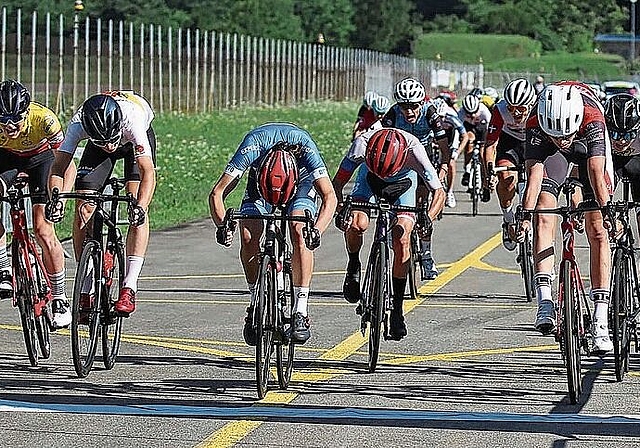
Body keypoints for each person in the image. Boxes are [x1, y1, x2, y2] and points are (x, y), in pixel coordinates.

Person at [209, 123, 336, 345]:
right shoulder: (252, 146)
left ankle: (301, 310)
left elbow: (330, 197)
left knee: (299, 230)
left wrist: (316, 230)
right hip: (261, 186)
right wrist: (223, 225)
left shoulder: (305, 148)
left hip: (301, 184)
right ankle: (255, 300)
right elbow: (217, 193)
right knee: (248, 235)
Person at [518, 82, 614, 354]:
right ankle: (545, 300)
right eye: (556, 137)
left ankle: (600, 319)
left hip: (588, 149)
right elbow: (534, 175)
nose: (562, 142)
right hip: (552, 152)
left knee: (597, 230)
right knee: (543, 214)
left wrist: (606, 211)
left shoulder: (592, 116)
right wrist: (525, 215)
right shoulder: (537, 119)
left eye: (565, 136)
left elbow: (596, 170)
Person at [48, 91, 156, 317]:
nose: (108, 146)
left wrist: (140, 206)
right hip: (98, 142)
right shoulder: (79, 124)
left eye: (111, 140)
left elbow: (147, 173)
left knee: (137, 205)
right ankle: (86, 284)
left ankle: (129, 287)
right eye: (102, 142)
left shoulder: (132, 119)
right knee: (84, 206)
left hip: (132, 142)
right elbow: (58, 168)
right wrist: (56, 198)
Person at [332, 127, 445, 340]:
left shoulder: (415, 151)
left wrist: (427, 218)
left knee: (402, 237)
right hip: (369, 180)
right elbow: (337, 183)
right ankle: (353, 264)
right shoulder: (361, 145)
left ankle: (397, 311)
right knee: (357, 223)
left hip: (403, 185)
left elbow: (438, 191)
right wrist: (340, 210)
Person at [0, 80, 72, 328]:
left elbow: (66, 161)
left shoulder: (44, 119)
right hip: (7, 158)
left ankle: (60, 297)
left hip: (41, 159)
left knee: (43, 228)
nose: (9, 126)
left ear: (26, 112)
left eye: (15, 119)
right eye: (3, 119)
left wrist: (60, 196)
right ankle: (4, 268)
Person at [381, 77, 450, 280]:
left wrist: (444, 168)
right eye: (404, 106)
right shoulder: (393, 113)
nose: (408, 111)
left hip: (422, 157)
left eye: (413, 106)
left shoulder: (430, 113)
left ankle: (427, 255)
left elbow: (443, 145)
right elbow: (381, 139)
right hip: (399, 156)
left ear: (421, 103)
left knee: (420, 206)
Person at [483, 78, 537, 250]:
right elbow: (490, 145)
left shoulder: (539, 108)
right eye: (511, 108)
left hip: (533, 143)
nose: (515, 113)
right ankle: (508, 219)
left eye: (521, 109)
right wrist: (489, 172)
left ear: (531, 104)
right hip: (510, 144)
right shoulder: (499, 110)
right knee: (506, 178)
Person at [603, 93, 640, 230]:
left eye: (629, 134)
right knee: (601, 214)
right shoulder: (599, 131)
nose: (622, 141)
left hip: (637, 163)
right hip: (613, 162)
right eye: (615, 134)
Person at [430, 97, 469, 208]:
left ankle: (450, 192)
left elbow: (465, 136)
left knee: (450, 163)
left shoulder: (452, 117)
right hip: (435, 137)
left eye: (442, 117)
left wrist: (457, 152)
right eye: (438, 117)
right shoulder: (428, 117)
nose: (440, 120)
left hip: (451, 138)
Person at [459, 94, 492, 189]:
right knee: (469, 142)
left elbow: (491, 127)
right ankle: (467, 170)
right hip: (469, 128)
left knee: (482, 153)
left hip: (483, 128)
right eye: (469, 114)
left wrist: (486, 142)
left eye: (474, 112)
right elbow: (458, 130)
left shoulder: (484, 111)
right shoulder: (461, 113)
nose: (472, 115)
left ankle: (485, 177)